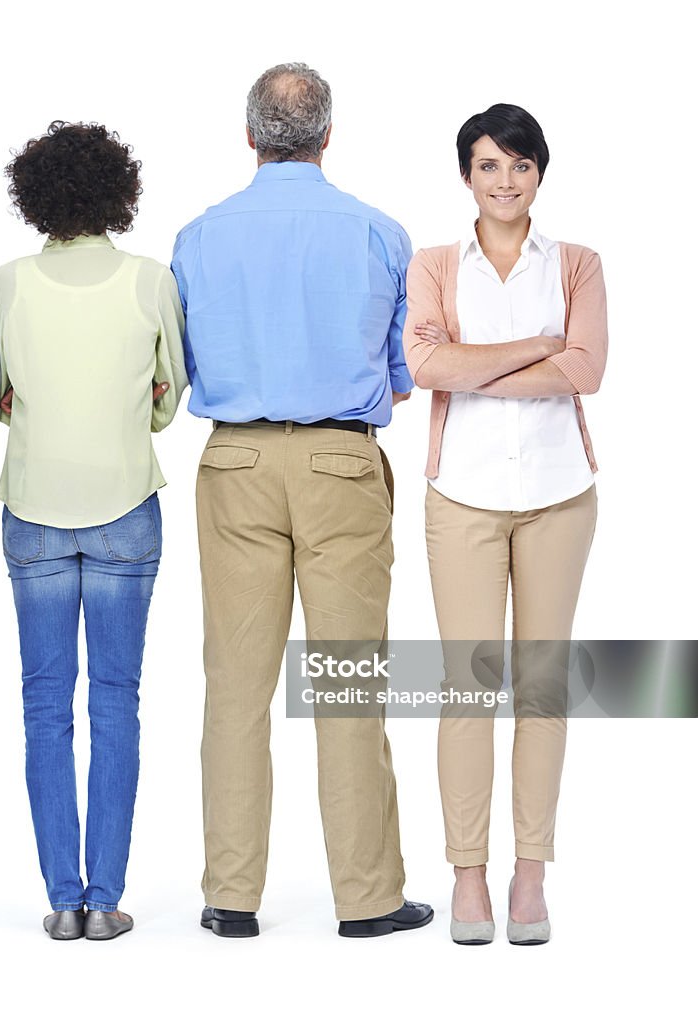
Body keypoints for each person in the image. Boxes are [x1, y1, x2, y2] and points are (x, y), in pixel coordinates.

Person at [172, 62, 432, 938]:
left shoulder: (199, 237)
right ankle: (367, 899)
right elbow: (400, 382)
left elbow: (187, 372)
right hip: (340, 465)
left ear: (249, 136)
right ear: (328, 136)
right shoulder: (379, 235)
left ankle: (230, 897)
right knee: (347, 683)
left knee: (235, 686)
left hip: (235, 460)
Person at [402, 103, 607, 946]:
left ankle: (530, 876)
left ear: (539, 174)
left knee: (542, 689)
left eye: (519, 165)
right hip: (464, 501)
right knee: (467, 690)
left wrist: (476, 367)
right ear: (466, 177)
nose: (505, 181)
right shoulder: (434, 265)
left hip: (560, 494)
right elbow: (423, 365)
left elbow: (587, 369)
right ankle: (466, 879)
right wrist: (535, 349)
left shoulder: (580, 265)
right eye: (489, 166)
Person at [0, 121, 187, 941]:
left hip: (33, 510)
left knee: (45, 709)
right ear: (120, 191)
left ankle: (62, 900)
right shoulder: (149, 281)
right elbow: (171, 396)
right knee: (117, 705)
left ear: (34, 197)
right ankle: (106, 899)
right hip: (123, 510)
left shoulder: (7, 284)